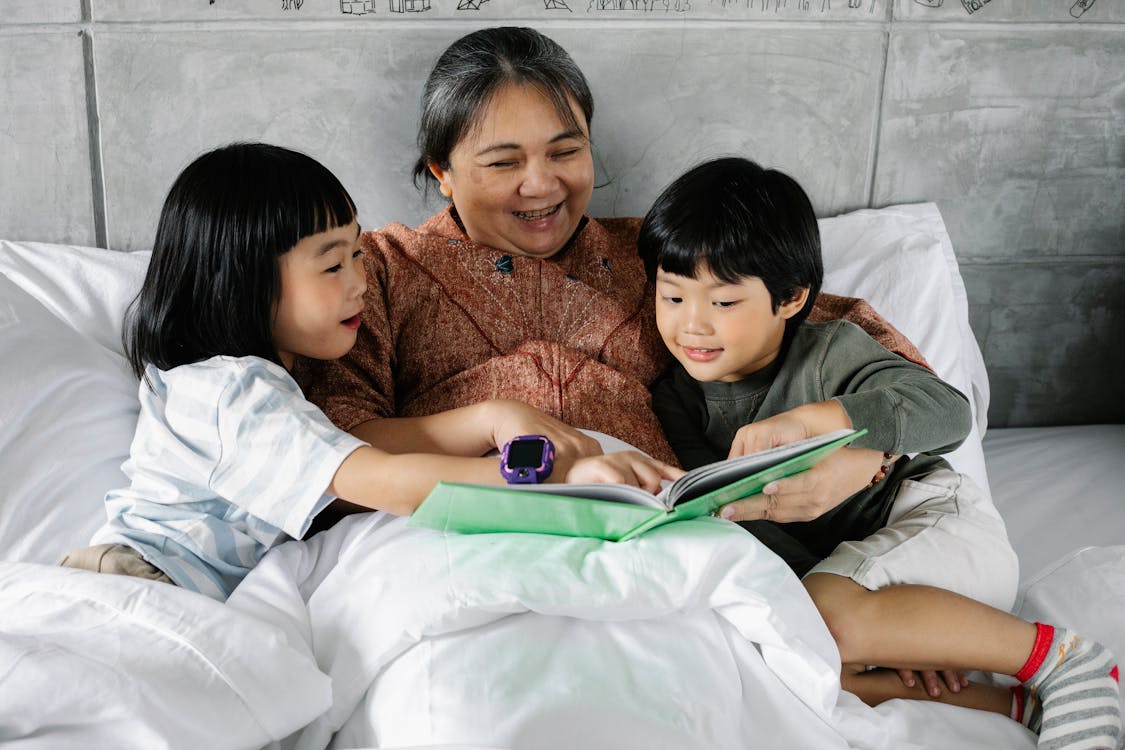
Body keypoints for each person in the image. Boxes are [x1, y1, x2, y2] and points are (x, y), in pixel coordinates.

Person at [295, 26, 921, 524]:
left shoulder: (657, 256)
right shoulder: (377, 270)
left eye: (566, 152)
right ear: (443, 173)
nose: (541, 185)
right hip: (456, 536)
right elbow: (332, 442)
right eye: (503, 161)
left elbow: (848, 337)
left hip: (662, 541)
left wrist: (864, 458)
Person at [58, 142, 679, 602]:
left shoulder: (264, 385)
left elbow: (360, 443)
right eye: (332, 267)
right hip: (145, 582)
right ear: (243, 282)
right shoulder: (233, 393)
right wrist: (554, 478)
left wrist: (494, 416)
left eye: (358, 252)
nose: (361, 282)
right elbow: (383, 479)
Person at [641, 156, 1121, 749]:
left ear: (790, 298)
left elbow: (949, 412)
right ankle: (1012, 704)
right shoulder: (676, 399)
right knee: (794, 654)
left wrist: (830, 416)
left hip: (937, 526)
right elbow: (735, 513)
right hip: (875, 587)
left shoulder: (829, 353)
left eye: (723, 303)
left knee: (823, 619)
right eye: (673, 297)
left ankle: (1067, 659)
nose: (693, 325)